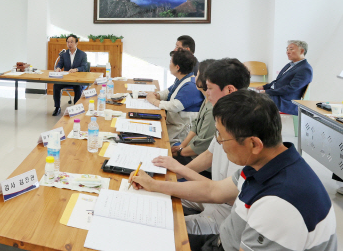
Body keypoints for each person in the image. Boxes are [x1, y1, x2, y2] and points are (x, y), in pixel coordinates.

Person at [132, 90, 338, 251]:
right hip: (222, 241)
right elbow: (213, 191)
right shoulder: (267, 164)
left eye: (222, 137)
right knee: (148, 231)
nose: (219, 143)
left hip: (227, 244)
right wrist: (153, 184)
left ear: (254, 144)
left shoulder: (280, 204)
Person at [151, 58, 249, 236]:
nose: (205, 93)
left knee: (160, 226)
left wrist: (166, 178)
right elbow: (208, 155)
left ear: (229, 90)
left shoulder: (243, 128)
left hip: (225, 212)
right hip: (211, 195)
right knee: (153, 199)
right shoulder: (224, 116)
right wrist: (174, 174)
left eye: (209, 88)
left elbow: (218, 193)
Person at [146, 50, 204, 143]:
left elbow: (175, 106)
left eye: (170, 62)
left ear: (177, 67)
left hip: (180, 134)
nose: (169, 64)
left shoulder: (191, 86)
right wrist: (157, 95)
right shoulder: (181, 79)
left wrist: (154, 101)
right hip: (173, 124)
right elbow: (169, 92)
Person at [171, 59, 216, 168]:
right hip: (191, 151)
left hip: (198, 160)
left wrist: (180, 152)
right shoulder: (206, 99)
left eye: (198, 75)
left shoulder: (212, 108)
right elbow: (196, 124)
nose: (195, 78)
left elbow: (201, 145)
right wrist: (182, 145)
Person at [256, 40, 312, 115]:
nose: (287, 52)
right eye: (287, 49)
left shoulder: (305, 69)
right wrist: (264, 87)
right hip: (278, 95)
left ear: (302, 51)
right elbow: (277, 81)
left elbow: (291, 88)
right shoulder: (290, 65)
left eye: (291, 49)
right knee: (250, 95)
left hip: (285, 101)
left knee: (254, 99)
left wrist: (268, 91)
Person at [51, 34, 88, 116]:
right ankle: (57, 107)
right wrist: (58, 68)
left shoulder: (82, 54)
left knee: (78, 87)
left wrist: (76, 69)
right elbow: (60, 64)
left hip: (77, 80)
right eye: (68, 42)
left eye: (72, 42)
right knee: (56, 85)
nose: (69, 44)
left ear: (76, 43)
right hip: (66, 79)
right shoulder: (64, 54)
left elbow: (84, 67)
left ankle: (76, 107)